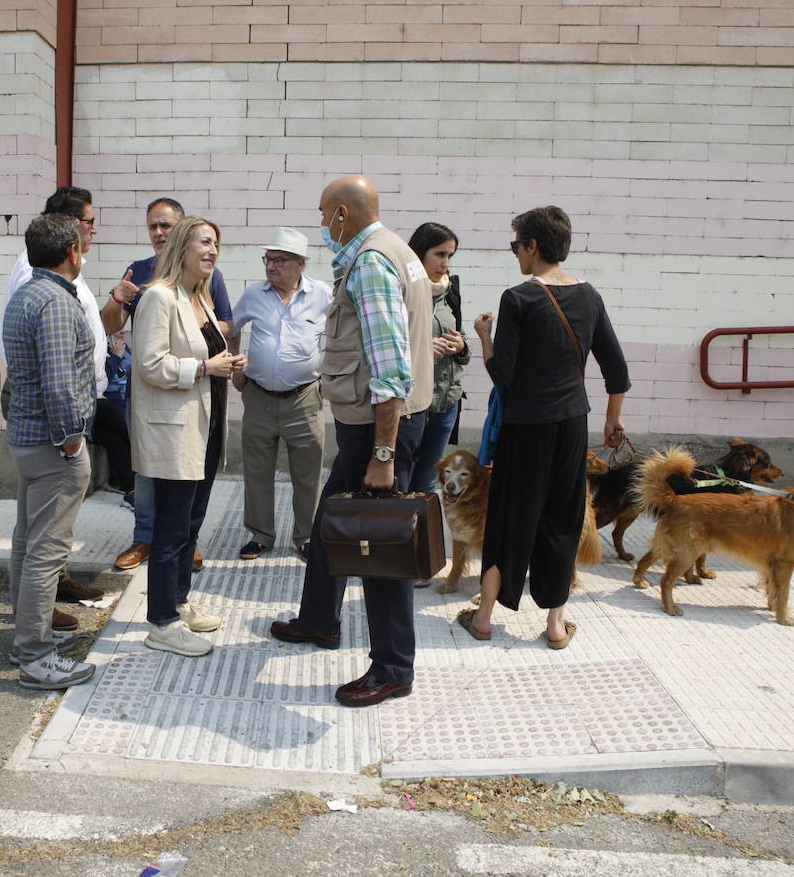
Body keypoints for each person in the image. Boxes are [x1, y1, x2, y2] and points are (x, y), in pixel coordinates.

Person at [268, 175, 435, 708]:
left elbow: (389, 368)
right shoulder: (399, 250)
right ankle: (319, 620)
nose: (321, 225)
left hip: (379, 428)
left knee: (382, 545)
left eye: (323, 214)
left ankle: (392, 668)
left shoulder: (371, 264)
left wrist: (383, 457)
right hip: (375, 423)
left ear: (342, 213)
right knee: (329, 523)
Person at [459, 206, 629, 651]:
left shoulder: (518, 298)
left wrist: (484, 338)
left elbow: (504, 375)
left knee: (510, 517)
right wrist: (613, 419)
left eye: (516, 245)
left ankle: (483, 618)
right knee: (562, 516)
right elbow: (617, 366)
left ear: (533, 246)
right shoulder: (590, 296)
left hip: (526, 426)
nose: (515, 253)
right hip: (573, 423)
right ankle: (555, 625)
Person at [131, 216, 245, 658]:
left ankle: (178, 603)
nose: (213, 250)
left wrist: (226, 364)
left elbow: (206, 355)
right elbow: (150, 364)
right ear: (182, 246)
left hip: (207, 427)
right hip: (175, 433)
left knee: (191, 525)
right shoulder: (158, 297)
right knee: (171, 528)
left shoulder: (199, 297)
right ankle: (161, 622)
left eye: (217, 242)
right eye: (205, 241)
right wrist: (203, 368)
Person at [105, 198, 234, 574]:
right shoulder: (143, 276)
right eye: (153, 227)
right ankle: (147, 538)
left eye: (166, 226)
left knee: (188, 490)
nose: (159, 233)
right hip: (157, 395)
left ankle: (183, 547)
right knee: (148, 476)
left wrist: (203, 351)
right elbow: (113, 327)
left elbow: (221, 325)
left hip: (197, 397)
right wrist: (118, 297)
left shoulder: (206, 279)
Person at [0, 186, 107, 615]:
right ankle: (35, 649)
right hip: (52, 441)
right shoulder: (53, 300)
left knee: (29, 539)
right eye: (88, 230)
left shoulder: (33, 292)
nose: (92, 235)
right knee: (46, 548)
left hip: (31, 435)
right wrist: (71, 442)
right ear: (71, 250)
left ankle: (28, 632)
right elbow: (58, 382)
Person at [227, 227, 332, 561]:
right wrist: (236, 367)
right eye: (268, 259)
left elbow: (343, 333)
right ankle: (260, 535)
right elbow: (232, 328)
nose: (271, 266)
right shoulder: (254, 294)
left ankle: (306, 536)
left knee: (308, 472)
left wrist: (330, 375)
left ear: (300, 264)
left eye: (280, 260)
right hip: (258, 396)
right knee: (257, 470)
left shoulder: (323, 295)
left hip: (304, 397)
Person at [406, 222, 469, 494]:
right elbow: (385, 348)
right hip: (410, 407)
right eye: (440, 254)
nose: (445, 263)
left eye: (450, 256)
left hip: (446, 402)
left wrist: (461, 346)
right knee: (401, 479)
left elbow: (462, 341)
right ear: (419, 253)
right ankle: (399, 536)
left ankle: (422, 537)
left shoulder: (449, 290)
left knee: (428, 483)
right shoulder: (402, 289)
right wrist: (422, 350)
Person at [94, 331, 135, 499]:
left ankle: (128, 484)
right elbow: (102, 377)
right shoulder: (99, 347)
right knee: (111, 410)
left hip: (109, 411)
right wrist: (116, 357)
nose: (120, 332)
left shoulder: (127, 350)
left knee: (114, 439)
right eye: (115, 327)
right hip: (92, 405)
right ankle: (133, 437)